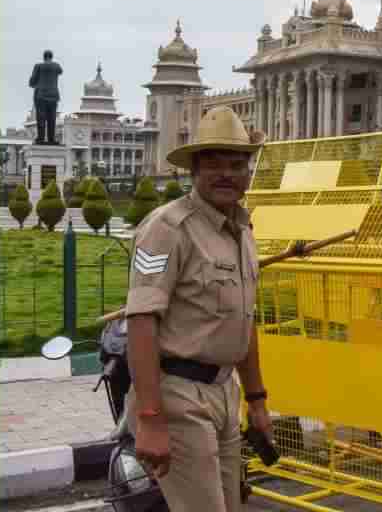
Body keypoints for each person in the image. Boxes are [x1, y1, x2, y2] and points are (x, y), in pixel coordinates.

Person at [123, 106, 272, 512]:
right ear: (194, 170)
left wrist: (256, 399)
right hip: (178, 395)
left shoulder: (241, 231)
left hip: (225, 392)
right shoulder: (167, 229)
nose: (226, 173)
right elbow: (140, 320)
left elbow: (244, 320)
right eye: (213, 163)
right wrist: (151, 418)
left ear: (249, 171)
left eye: (236, 163)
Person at [28, 50, 63, 145]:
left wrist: (36, 83)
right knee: (52, 118)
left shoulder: (38, 66)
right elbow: (60, 71)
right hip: (53, 95)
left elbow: (31, 82)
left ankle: (41, 138)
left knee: (41, 117)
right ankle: (51, 139)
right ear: (51, 57)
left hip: (41, 95)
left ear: (44, 57)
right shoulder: (56, 66)